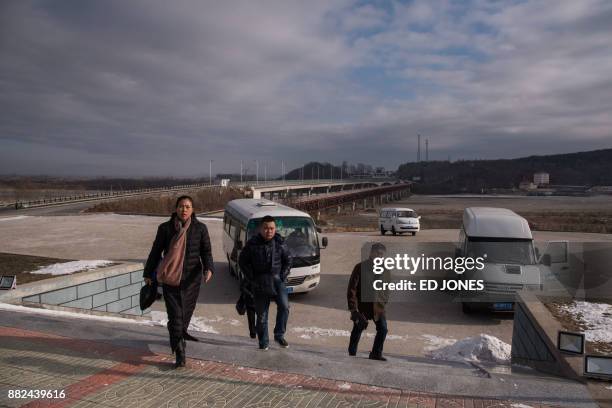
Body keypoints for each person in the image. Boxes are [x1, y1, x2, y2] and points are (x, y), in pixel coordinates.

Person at [143, 195, 214, 368]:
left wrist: (208, 268)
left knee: (185, 315)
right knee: (175, 316)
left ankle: (178, 337)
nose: (184, 210)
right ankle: (180, 350)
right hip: (171, 279)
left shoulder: (200, 229)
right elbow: (155, 252)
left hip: (191, 279)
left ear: (193, 210)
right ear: (176, 209)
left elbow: (206, 251)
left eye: (188, 207)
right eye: (181, 206)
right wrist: (148, 273)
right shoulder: (165, 229)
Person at [239, 215, 292, 350]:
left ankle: (279, 335)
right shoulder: (252, 244)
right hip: (259, 281)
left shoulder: (280, 243)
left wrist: (282, 275)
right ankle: (263, 342)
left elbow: (289, 260)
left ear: (275, 229)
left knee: (285, 307)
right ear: (261, 229)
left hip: (276, 280)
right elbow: (242, 262)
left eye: (272, 228)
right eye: (266, 228)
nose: (269, 231)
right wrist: (251, 278)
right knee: (262, 316)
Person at [346, 242, 390, 361]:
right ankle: (352, 354)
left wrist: (384, 300)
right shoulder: (360, 267)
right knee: (358, 328)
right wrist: (353, 309)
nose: (380, 257)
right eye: (378, 254)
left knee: (383, 329)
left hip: (378, 306)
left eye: (382, 255)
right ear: (371, 253)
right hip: (363, 306)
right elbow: (352, 289)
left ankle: (376, 353)